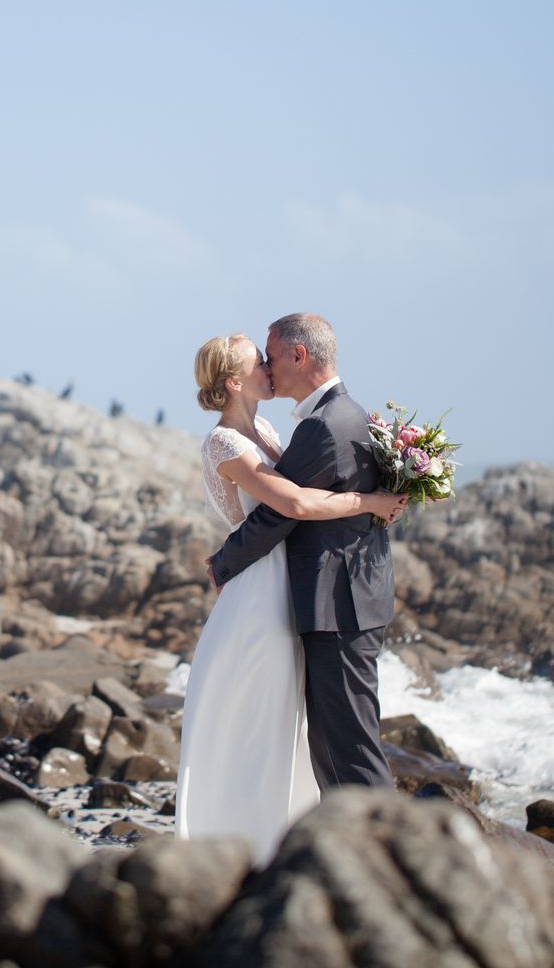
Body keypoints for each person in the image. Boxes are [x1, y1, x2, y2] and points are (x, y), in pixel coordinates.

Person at [175, 329, 405, 861]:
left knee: (293, 723)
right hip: (258, 596)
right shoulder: (223, 443)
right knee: (260, 719)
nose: (269, 368)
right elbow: (296, 504)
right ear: (235, 381)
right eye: (260, 361)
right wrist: (370, 500)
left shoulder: (273, 428)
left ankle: (294, 837)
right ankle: (245, 843)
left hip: (289, 587)